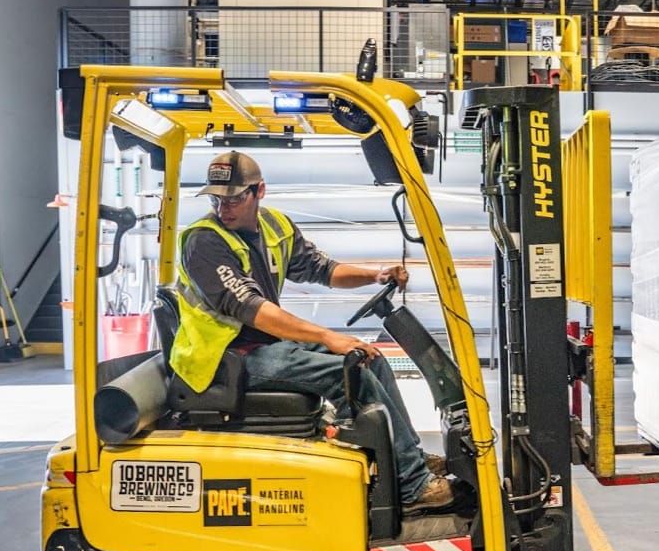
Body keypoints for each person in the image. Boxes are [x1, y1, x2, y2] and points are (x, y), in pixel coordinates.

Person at [170, 151, 454, 513]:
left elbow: (323, 269)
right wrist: (325, 336)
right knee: (349, 374)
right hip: (225, 360)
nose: (223, 207)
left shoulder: (274, 226)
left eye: (234, 198)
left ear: (260, 191)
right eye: (216, 198)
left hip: (263, 346)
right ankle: (412, 486)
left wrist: (374, 275)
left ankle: (407, 459)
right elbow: (252, 309)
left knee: (371, 359)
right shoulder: (204, 242)